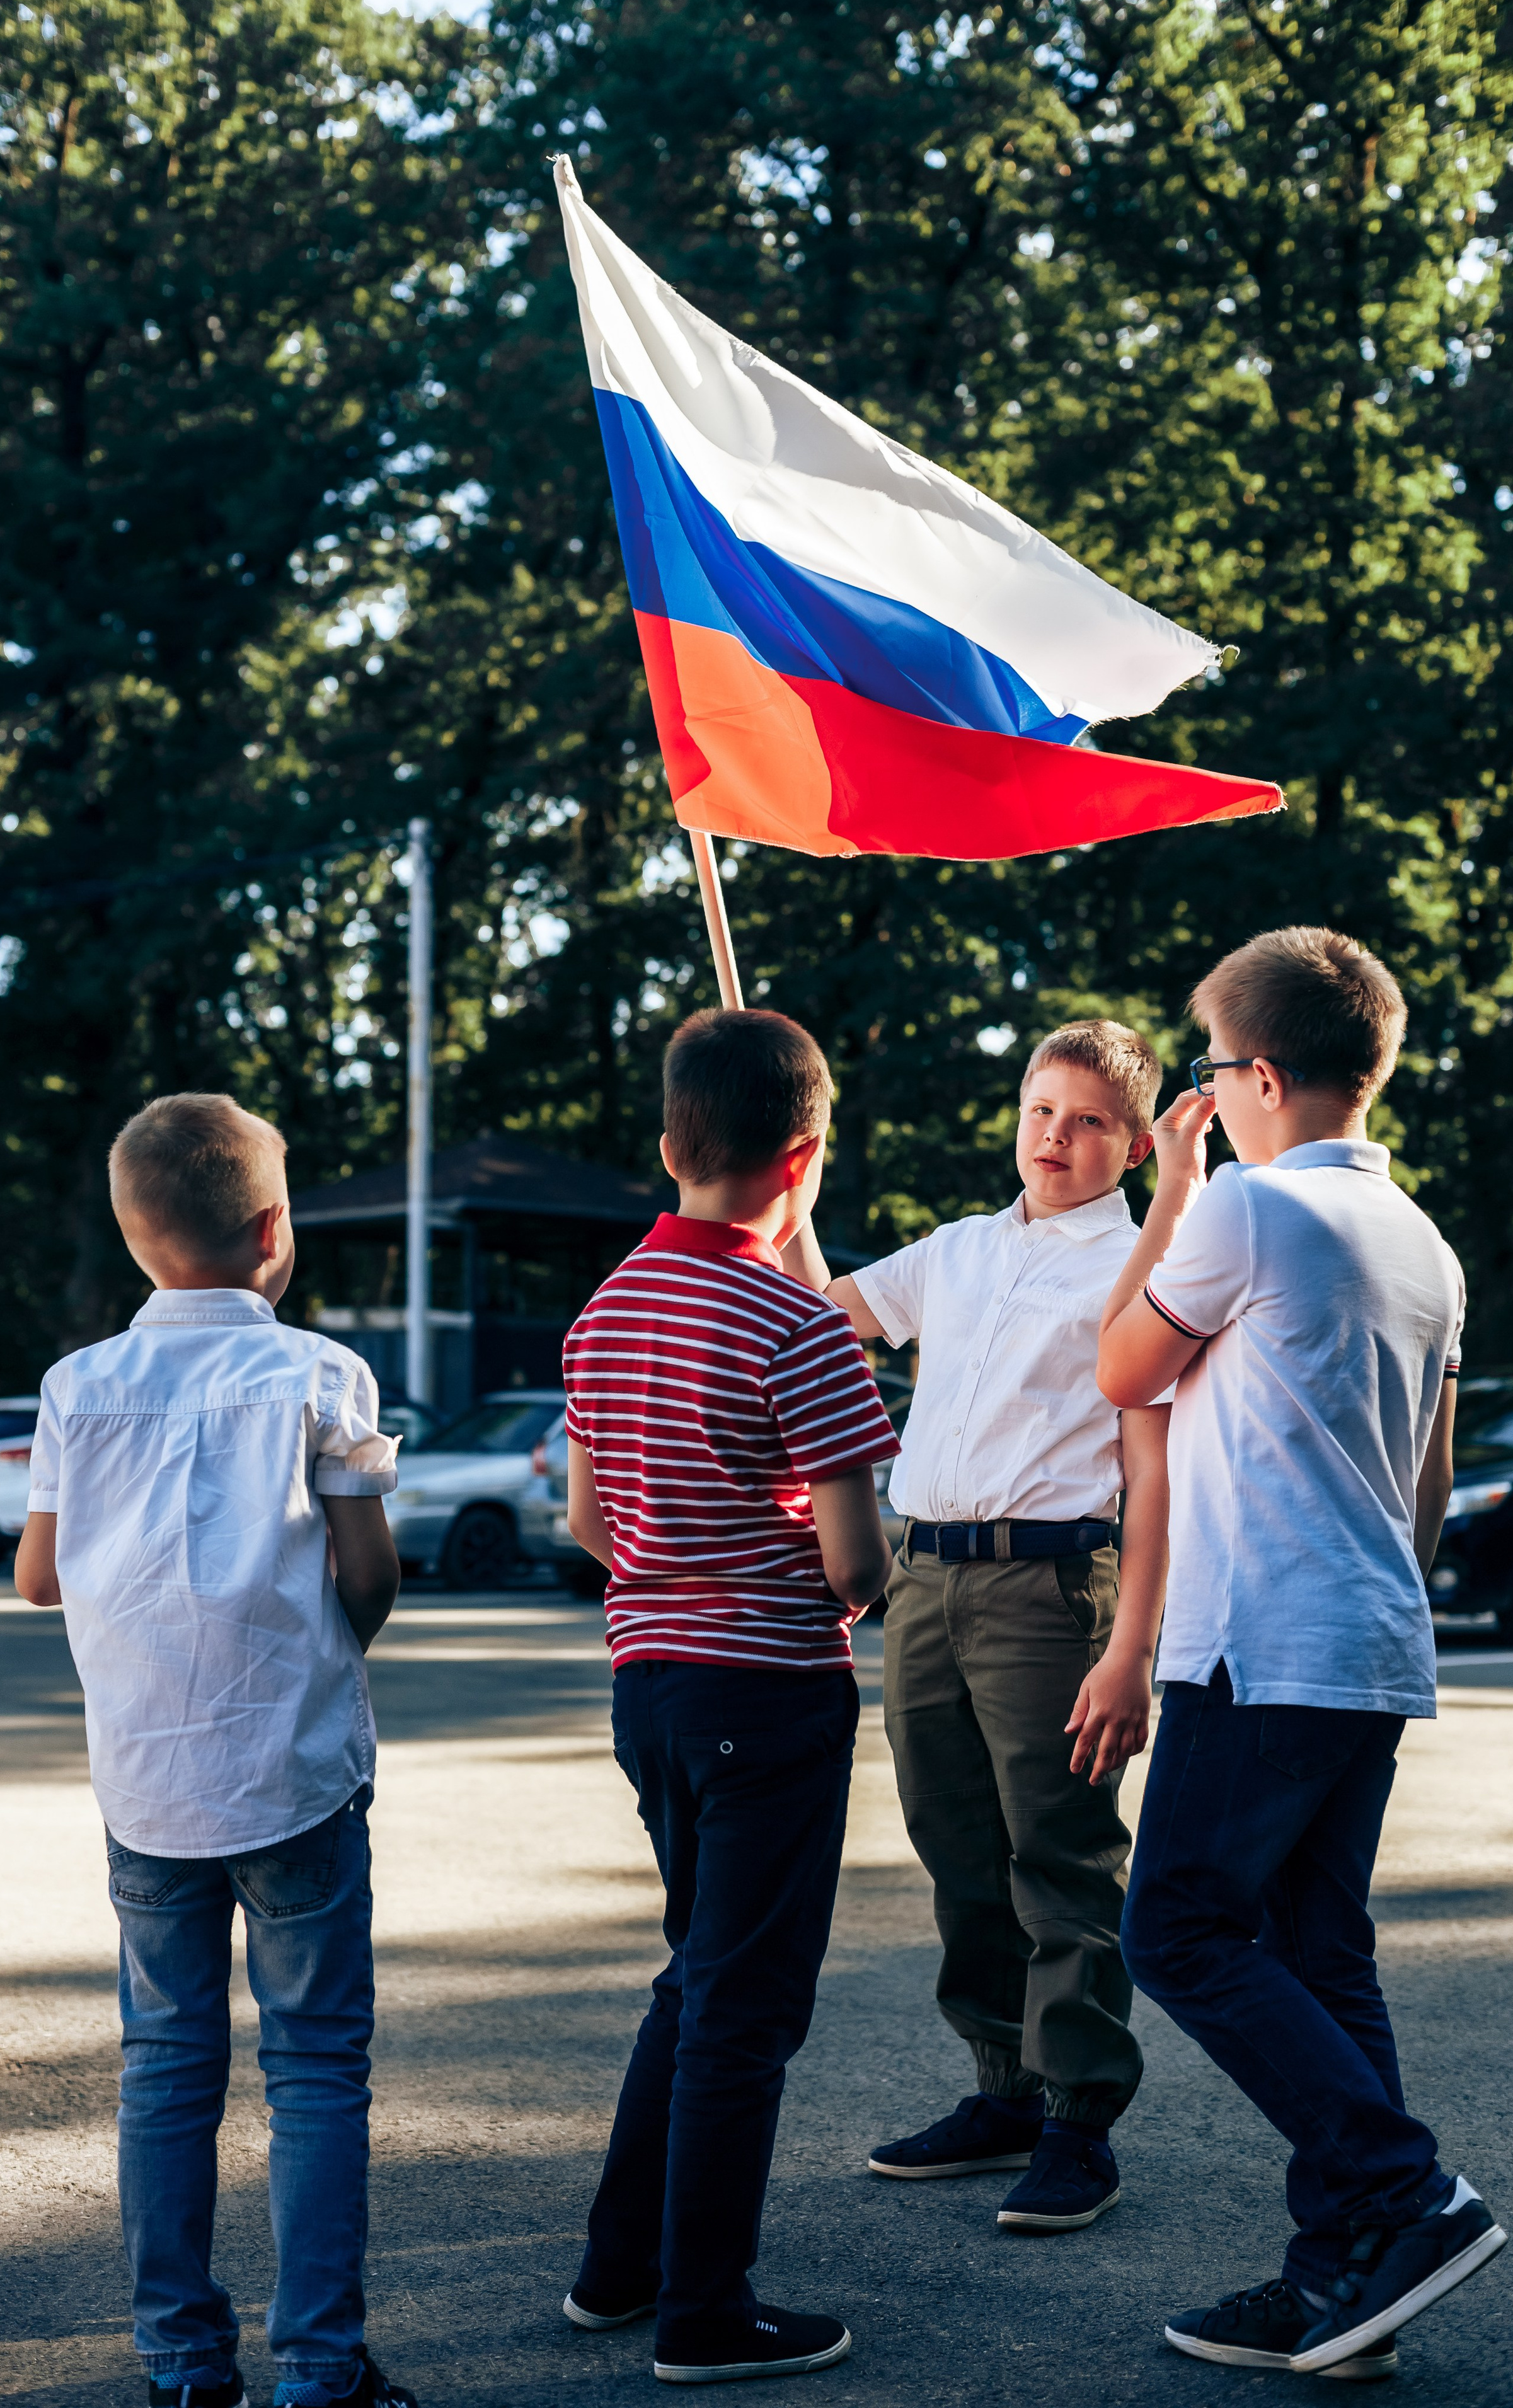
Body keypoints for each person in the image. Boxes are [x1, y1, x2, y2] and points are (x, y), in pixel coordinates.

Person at [1098, 926, 1506, 2380]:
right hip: (1368, 1634)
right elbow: (1429, 1480)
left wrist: (1172, 1195)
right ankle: (1350, 2277)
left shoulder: (1245, 1215)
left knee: (1177, 1931)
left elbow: (1118, 1370)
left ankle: (1401, 2195)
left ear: (1256, 1077)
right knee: (1321, 1959)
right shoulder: (1427, 1247)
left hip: (1256, 1638)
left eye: (1208, 1068)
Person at [14, 1093, 416, 2408]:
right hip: (292, 1770)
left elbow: (36, 1578)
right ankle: (319, 2367)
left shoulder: (79, 1386)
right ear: (271, 1231)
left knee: (166, 2066)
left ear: (137, 1239)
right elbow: (366, 1578)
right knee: (312, 2069)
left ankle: (182, 2361)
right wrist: (328, 1634)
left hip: (148, 1785)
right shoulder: (320, 1377)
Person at [785, 1020, 1173, 2233]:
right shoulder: (953, 1252)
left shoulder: (1137, 1267)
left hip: (1048, 1583)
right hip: (926, 1580)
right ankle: (1002, 2088)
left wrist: (1131, 1647)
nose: (1057, 1135)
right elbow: (819, 1314)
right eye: (1041, 1108)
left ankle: (1079, 2118)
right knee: (955, 1843)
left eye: (1090, 1119)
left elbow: (1153, 1471)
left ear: (1138, 1143)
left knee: (1056, 1851)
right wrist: (793, 1201)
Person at [560, 1007, 899, 2386]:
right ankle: (704, 2312)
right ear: (804, 1158)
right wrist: (835, 1571)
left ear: (668, 1144)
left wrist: (675, 1556)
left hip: (649, 1687)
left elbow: (588, 1524)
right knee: (746, 2010)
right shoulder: (798, 1326)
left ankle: (617, 2268)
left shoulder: (604, 1310)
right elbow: (854, 1559)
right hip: (770, 1692)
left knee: (693, 1976)